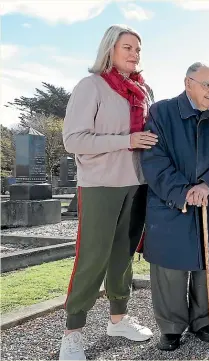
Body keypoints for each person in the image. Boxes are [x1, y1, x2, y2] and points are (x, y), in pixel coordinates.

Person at [59, 24, 157, 360]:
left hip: (137, 184)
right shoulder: (92, 87)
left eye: (138, 49)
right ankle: (72, 333)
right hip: (100, 185)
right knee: (93, 257)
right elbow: (74, 140)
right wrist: (125, 141)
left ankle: (118, 319)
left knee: (123, 257)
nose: (134, 54)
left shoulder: (143, 91)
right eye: (127, 47)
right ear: (110, 50)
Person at [140, 62, 209, 351]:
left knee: (205, 267)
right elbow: (154, 159)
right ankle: (171, 328)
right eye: (206, 84)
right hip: (171, 205)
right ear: (188, 84)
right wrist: (183, 192)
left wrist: (208, 186)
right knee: (170, 271)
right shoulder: (161, 112)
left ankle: (203, 321)